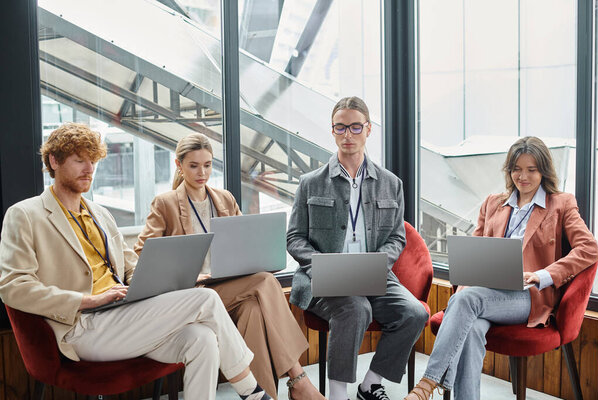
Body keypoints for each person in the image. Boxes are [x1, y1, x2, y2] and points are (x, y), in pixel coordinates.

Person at [0, 123, 272, 400]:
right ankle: (251, 391)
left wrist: (171, 277)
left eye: (92, 161)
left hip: (124, 314)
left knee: (201, 339)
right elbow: (13, 287)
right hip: (82, 326)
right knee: (207, 300)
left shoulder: (100, 214)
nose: (89, 168)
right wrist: (86, 300)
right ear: (54, 161)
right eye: (79, 160)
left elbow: (131, 266)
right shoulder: (25, 214)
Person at [405, 136, 598, 400]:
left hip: (527, 297)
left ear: (543, 170)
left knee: (466, 300)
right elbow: (473, 255)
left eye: (532, 169)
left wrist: (542, 276)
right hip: (484, 292)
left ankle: (427, 384)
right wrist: (465, 286)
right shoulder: (493, 203)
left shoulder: (561, 204)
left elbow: (589, 249)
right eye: (517, 169)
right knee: (471, 327)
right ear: (509, 171)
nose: (523, 176)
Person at [134, 133, 324, 400]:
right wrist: (191, 273)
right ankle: (298, 378)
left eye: (208, 165)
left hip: (230, 286)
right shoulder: (165, 204)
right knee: (265, 282)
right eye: (194, 165)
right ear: (179, 165)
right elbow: (143, 254)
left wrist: (257, 258)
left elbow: (244, 244)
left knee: (253, 311)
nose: (203, 172)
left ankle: (266, 395)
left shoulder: (224, 199)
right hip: (194, 293)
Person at [287, 96, 429, 400]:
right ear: (333, 130)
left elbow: (397, 238)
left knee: (415, 313)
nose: (347, 135)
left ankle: (370, 384)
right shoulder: (310, 183)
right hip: (323, 278)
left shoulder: (392, 184)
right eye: (340, 128)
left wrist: (379, 265)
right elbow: (295, 238)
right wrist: (322, 265)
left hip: (375, 275)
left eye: (354, 127)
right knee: (355, 308)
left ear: (368, 130)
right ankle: (338, 394)